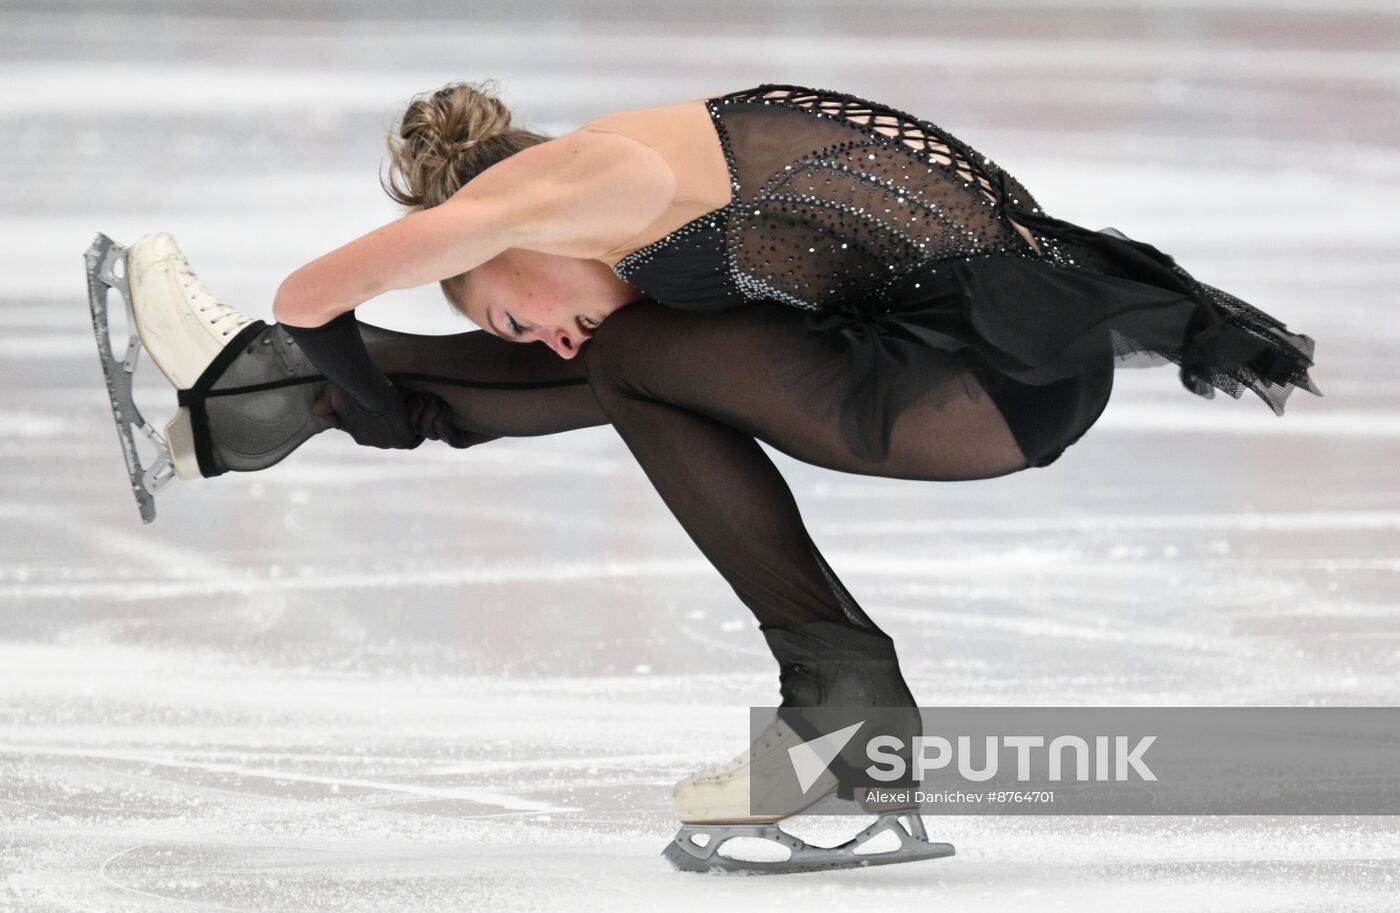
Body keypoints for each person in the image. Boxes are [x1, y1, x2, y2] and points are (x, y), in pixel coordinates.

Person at [98, 80, 1320, 873]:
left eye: (514, 317)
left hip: (984, 382)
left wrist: (352, 386)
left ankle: (255, 384)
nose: (543, 337)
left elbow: (313, 293)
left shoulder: (565, 187)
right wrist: (371, 401)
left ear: (501, 239)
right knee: (627, 358)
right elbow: (581, 326)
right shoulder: (618, 175)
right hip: (971, 366)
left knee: (624, 356)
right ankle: (268, 401)